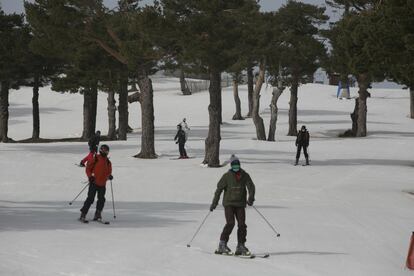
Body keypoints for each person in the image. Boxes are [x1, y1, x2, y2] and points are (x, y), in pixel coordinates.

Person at [210, 155, 256, 256]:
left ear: (239, 165)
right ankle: (222, 244)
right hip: (229, 203)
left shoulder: (245, 175)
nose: (236, 167)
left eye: (237, 165)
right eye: (234, 165)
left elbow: (251, 186)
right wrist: (214, 203)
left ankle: (240, 246)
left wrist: (251, 198)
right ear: (231, 166)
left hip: (240, 204)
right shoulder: (226, 176)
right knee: (230, 223)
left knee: (242, 225)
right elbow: (219, 190)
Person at [79, 144, 113, 222]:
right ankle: (83, 214)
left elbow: (108, 172)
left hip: (102, 184)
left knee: (101, 200)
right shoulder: (96, 158)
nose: (104, 151)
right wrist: (90, 176)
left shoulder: (108, 162)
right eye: (103, 150)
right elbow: (88, 168)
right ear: (100, 150)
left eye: (106, 150)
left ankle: (98, 214)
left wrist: (109, 176)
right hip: (94, 182)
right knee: (90, 199)